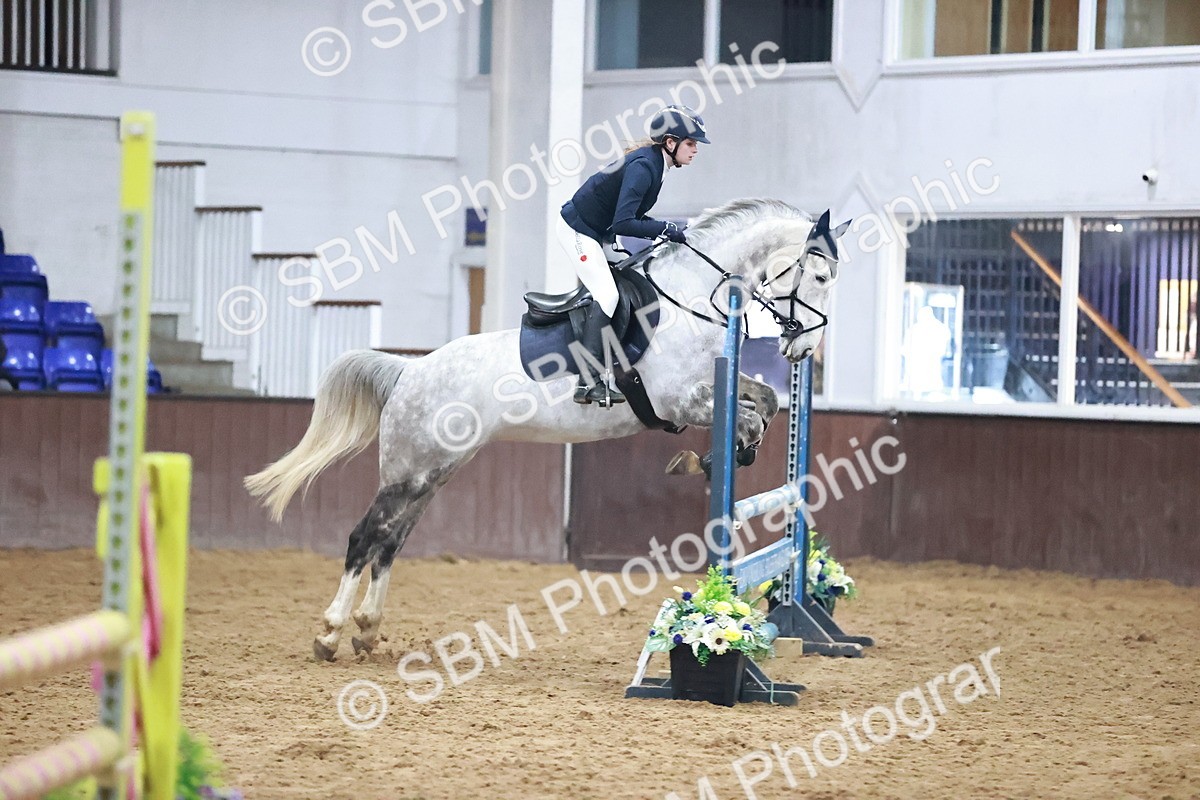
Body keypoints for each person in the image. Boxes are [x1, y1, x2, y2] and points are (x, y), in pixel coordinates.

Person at [558, 104, 709, 405]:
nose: (695, 150)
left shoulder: (657, 164)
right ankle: (587, 382)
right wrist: (664, 227)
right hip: (578, 231)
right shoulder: (644, 167)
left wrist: (662, 230)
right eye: (691, 143)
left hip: (600, 233)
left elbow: (628, 219)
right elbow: (624, 222)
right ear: (670, 142)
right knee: (607, 295)